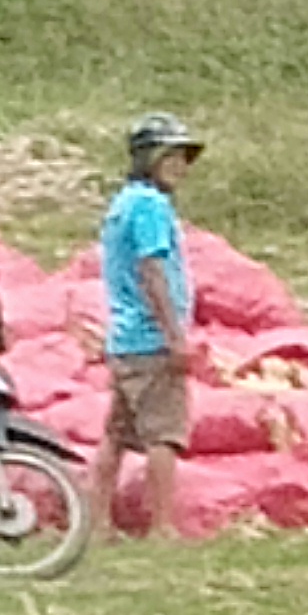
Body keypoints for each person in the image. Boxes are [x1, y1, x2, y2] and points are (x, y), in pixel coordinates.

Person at [91, 112, 205, 541]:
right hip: (150, 339)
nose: (179, 166)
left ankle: (97, 522)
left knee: (115, 435)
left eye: (182, 158)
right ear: (147, 159)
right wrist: (175, 336)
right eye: (170, 157)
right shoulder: (151, 207)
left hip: (124, 338)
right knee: (165, 435)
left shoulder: (122, 203)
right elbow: (152, 270)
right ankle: (161, 526)